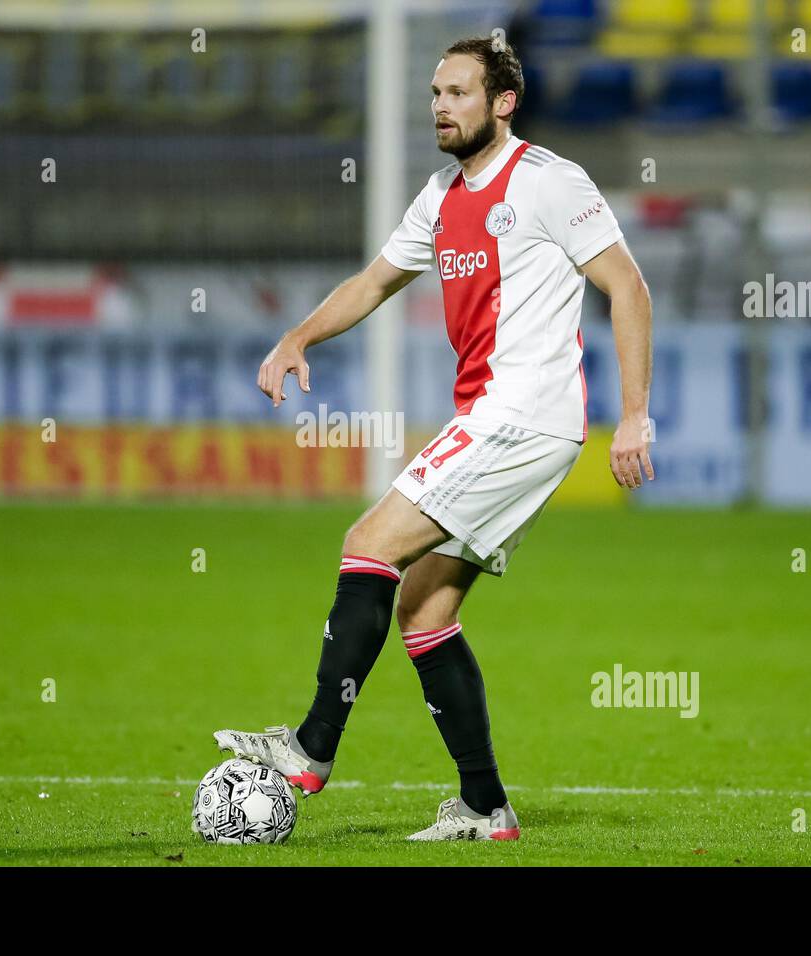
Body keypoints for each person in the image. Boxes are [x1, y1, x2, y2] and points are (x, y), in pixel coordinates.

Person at [215, 36, 653, 841]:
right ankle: (486, 807)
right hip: (496, 418)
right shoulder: (441, 195)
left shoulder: (549, 183)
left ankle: (311, 749)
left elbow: (626, 283)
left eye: (457, 93)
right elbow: (377, 280)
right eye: (434, 94)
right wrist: (299, 337)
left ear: (502, 102)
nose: (440, 107)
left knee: (369, 542)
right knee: (423, 611)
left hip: (521, 415)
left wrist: (634, 414)